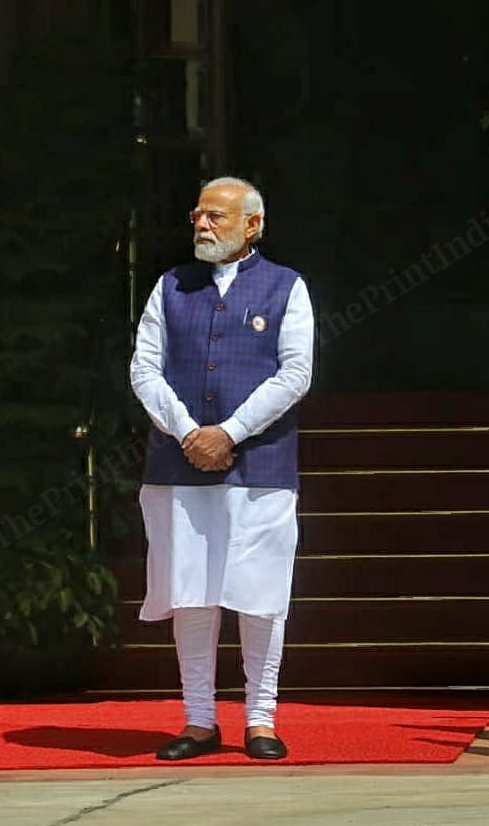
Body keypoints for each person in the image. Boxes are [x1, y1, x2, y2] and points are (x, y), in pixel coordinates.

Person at [129, 176, 314, 761]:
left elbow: (295, 374)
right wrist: (189, 433)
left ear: (251, 224)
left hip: (259, 465)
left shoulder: (287, 287)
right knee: (191, 591)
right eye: (198, 215)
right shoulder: (169, 286)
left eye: (216, 216)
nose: (202, 226)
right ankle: (199, 719)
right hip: (178, 462)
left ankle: (260, 719)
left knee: (260, 593)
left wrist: (229, 433)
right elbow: (144, 370)